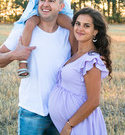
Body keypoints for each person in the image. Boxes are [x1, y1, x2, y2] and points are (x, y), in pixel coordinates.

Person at [0, 0, 72, 135]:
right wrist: (13, 55)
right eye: (42, 0)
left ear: (61, 6)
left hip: (60, 111)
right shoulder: (22, 32)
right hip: (31, 110)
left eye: (51, 0)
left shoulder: (68, 34)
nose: (45, 4)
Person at [48, 7, 112, 135]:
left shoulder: (91, 61)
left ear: (95, 31)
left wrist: (69, 125)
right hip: (73, 124)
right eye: (77, 24)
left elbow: (93, 101)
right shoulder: (78, 54)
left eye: (86, 26)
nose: (80, 28)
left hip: (81, 125)